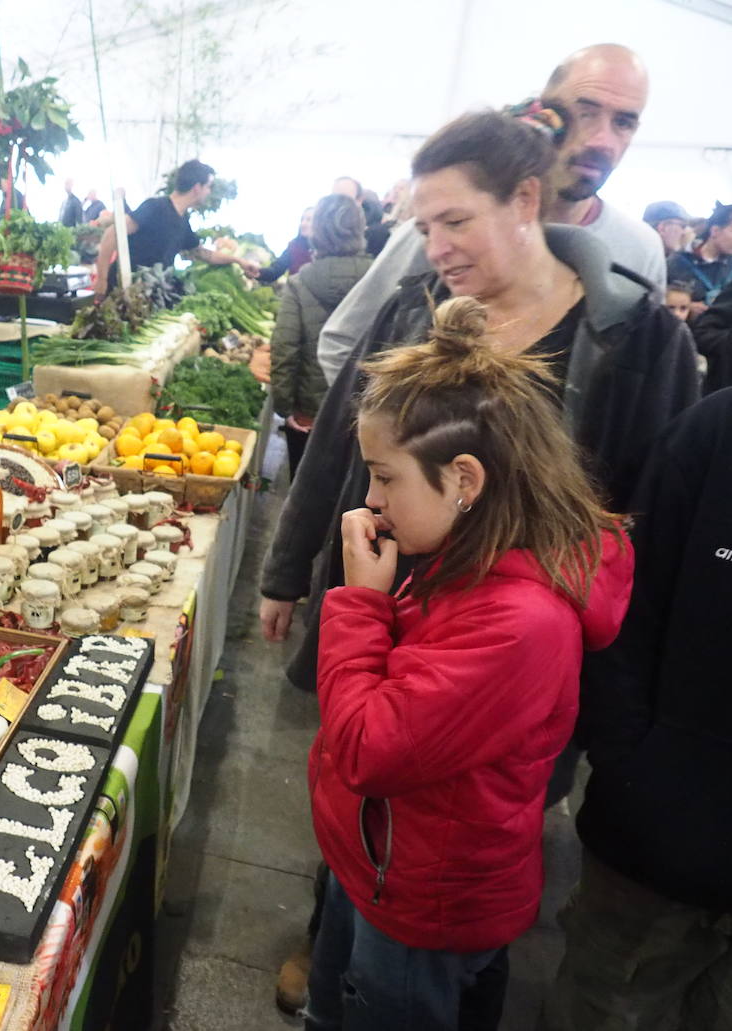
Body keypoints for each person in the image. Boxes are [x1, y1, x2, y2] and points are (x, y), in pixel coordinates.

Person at [260, 108, 698, 1015]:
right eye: (425, 226)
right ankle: (342, 939)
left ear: (526, 200)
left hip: (479, 670)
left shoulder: (629, 336)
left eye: (454, 221)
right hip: (403, 648)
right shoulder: (411, 306)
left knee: (446, 840)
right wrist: (291, 569)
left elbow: (648, 520)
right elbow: (346, 444)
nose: (437, 245)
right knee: (385, 834)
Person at [304, 296, 633, 1031]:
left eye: (386, 478)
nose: (371, 499)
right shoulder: (465, 555)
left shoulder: (518, 622)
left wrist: (361, 604)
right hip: (385, 867)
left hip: (421, 904)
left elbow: (366, 747)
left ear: (464, 480)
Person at [541, 388, 732, 1031]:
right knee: (602, 1007)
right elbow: (622, 595)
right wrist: (633, 769)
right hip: (653, 848)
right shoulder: (715, 431)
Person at [318, 44, 667, 387]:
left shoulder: (642, 250)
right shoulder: (434, 233)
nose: (603, 141)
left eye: (624, 122)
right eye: (586, 112)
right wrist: (377, 435)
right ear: (550, 111)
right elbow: (342, 343)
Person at [252, 195, 372, 476]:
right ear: (359, 229)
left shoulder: (301, 282)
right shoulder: (379, 278)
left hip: (310, 415)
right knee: (356, 502)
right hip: (365, 415)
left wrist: (284, 407)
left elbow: (285, 348)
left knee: (305, 496)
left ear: (317, 232)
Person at [93, 159, 257, 295]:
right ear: (197, 188)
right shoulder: (155, 207)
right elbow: (112, 233)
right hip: (123, 291)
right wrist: (102, 280)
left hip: (149, 293)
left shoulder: (183, 219)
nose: (209, 192)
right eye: (208, 186)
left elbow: (203, 254)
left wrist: (238, 261)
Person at [666, 201, 732, 317]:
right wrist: (685, 306)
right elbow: (658, 298)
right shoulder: (677, 261)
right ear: (715, 231)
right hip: (683, 331)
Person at [255, 206, 315, 284]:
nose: (303, 223)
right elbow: (276, 270)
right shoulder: (294, 246)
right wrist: (258, 272)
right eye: (302, 219)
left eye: (308, 220)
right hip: (294, 294)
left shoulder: (326, 251)